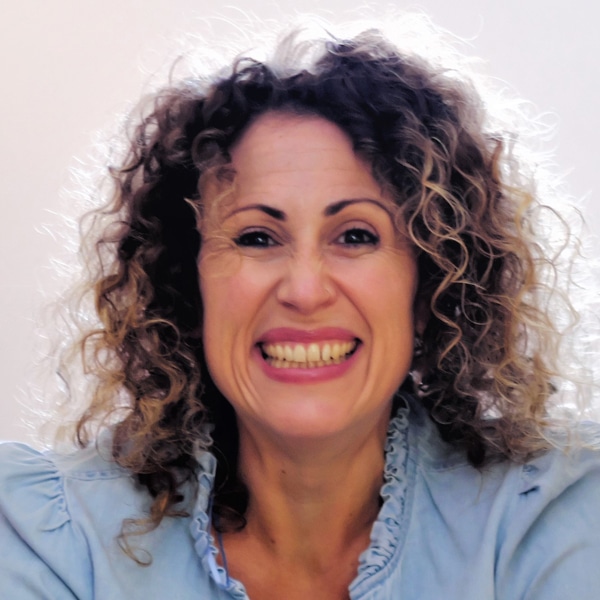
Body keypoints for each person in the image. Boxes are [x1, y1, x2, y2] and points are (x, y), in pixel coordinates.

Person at [1, 17, 599, 600]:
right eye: (257, 237)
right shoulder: (48, 538)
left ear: (432, 285)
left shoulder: (556, 516)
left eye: (356, 236)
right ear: (187, 284)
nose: (306, 291)